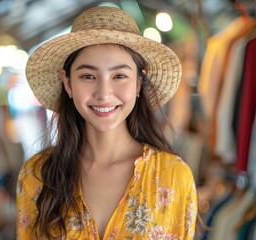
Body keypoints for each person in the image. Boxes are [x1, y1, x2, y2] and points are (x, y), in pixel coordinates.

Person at [17, 6, 198, 240]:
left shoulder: (173, 175)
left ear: (138, 83)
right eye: (88, 76)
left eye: (119, 76)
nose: (104, 93)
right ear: (68, 83)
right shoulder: (36, 174)